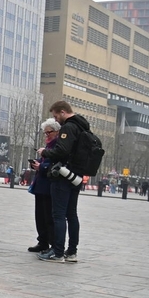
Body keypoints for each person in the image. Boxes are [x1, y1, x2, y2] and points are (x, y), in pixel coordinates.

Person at [38, 100, 89, 263]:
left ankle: (58, 252)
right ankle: (72, 252)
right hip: (76, 176)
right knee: (71, 214)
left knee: (58, 215)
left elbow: (62, 150)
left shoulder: (69, 126)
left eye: (56, 116)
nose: (56, 119)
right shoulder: (83, 126)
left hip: (63, 176)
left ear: (62, 112)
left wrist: (45, 152)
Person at [27, 119, 59, 253]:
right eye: (45, 133)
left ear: (57, 131)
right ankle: (42, 241)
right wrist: (36, 164)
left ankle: (52, 243)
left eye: (49, 132)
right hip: (40, 185)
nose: (47, 135)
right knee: (40, 215)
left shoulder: (58, 146)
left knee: (48, 216)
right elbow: (45, 161)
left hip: (49, 185)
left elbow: (56, 163)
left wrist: (42, 166)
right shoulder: (49, 146)